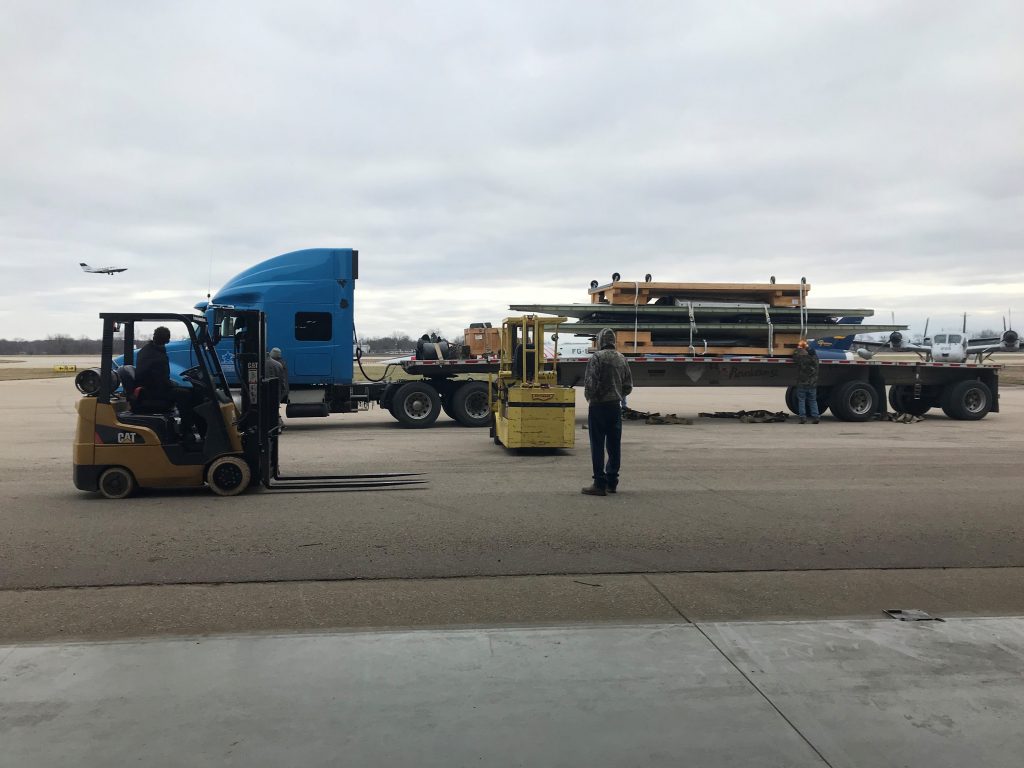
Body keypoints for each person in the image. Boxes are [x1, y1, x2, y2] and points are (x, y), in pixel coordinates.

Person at [582, 328, 633, 496]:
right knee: (614, 444)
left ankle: (599, 482)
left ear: (600, 341)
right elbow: (628, 386)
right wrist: (618, 395)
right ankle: (612, 481)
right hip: (614, 407)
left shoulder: (597, 358)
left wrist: (591, 398)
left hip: (598, 406)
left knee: (597, 445)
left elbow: (590, 384)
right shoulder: (622, 358)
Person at [134, 326, 200, 441]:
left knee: (188, 391)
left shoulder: (152, 350)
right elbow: (159, 379)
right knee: (185, 394)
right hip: (153, 391)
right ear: (167, 339)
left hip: (154, 387)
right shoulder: (154, 355)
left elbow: (159, 377)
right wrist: (173, 384)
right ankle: (186, 431)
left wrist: (172, 383)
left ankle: (189, 426)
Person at [792, 340, 820, 424]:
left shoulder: (803, 359)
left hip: (802, 383)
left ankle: (802, 417)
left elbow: (795, 357)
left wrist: (798, 349)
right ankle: (816, 417)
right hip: (812, 384)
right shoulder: (816, 361)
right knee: (813, 401)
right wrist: (808, 348)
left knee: (801, 400)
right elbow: (813, 354)